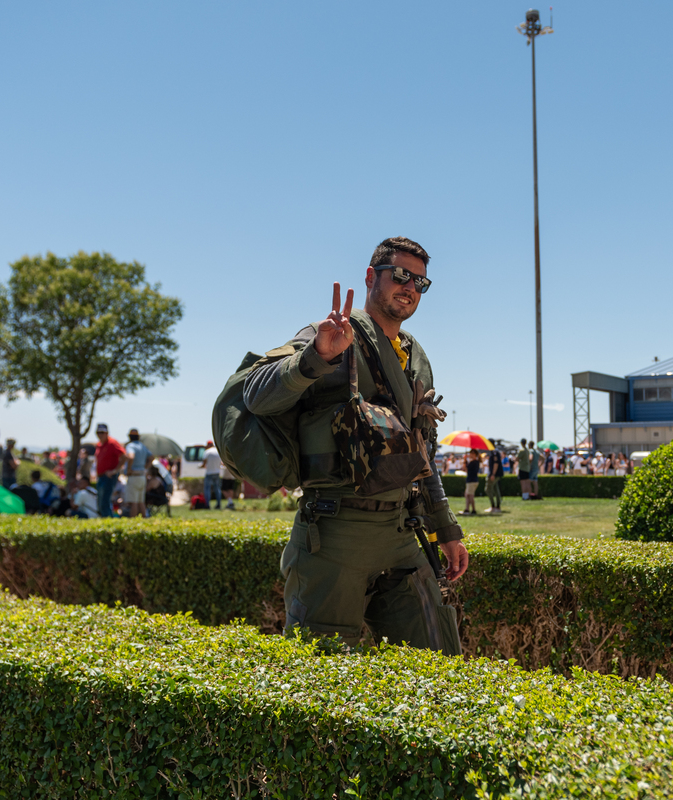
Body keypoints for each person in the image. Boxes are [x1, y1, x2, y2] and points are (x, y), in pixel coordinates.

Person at [241, 236, 466, 654]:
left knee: (438, 662)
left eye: (420, 281)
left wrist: (447, 529)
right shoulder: (329, 334)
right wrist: (316, 357)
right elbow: (255, 395)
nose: (410, 287)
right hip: (334, 535)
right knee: (323, 675)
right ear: (370, 276)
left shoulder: (416, 356)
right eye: (401, 275)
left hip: (401, 534)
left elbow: (422, 456)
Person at [93, 423, 125, 518]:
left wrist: (115, 471)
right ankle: (104, 518)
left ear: (107, 433)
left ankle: (108, 520)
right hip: (101, 476)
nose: (100, 434)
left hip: (108, 477)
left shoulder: (112, 443)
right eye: (98, 432)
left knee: (105, 501)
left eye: (102, 432)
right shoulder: (99, 444)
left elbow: (124, 456)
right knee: (100, 501)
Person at [123, 428, 153, 517]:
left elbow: (131, 456)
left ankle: (133, 522)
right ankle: (144, 520)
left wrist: (129, 469)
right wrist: (145, 468)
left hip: (133, 476)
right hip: (142, 476)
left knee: (133, 502)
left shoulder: (130, 446)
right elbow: (151, 458)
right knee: (141, 501)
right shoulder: (143, 446)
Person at [202, 440, 223, 510]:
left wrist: (202, 466)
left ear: (208, 445)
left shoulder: (207, 452)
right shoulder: (218, 451)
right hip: (217, 473)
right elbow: (221, 463)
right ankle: (219, 504)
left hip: (209, 473)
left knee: (207, 489)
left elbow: (204, 463)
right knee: (217, 489)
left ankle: (207, 505)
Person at [484, 445, 503, 515]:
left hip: (494, 474)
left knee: (488, 489)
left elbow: (496, 463)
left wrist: (493, 474)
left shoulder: (494, 452)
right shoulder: (495, 451)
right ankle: (497, 506)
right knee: (496, 489)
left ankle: (494, 506)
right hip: (496, 474)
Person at [462, 450, 481, 515]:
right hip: (472, 480)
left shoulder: (474, 462)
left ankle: (469, 509)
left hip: (471, 480)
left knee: (469, 495)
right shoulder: (475, 462)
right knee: (468, 495)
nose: (470, 455)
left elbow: (465, 468)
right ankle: (471, 509)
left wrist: (465, 460)